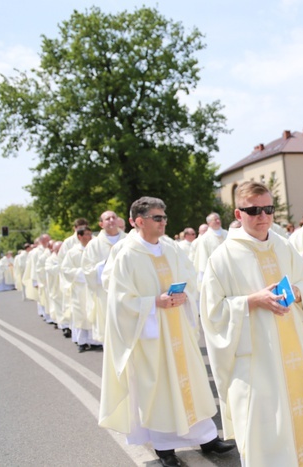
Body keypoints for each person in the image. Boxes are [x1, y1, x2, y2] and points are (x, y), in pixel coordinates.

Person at [98, 196, 234, 467]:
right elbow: (118, 299)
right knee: (159, 390)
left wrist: (184, 294)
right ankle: (165, 448)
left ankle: (207, 438)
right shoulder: (126, 254)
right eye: (157, 218)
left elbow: (190, 278)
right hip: (150, 335)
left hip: (178, 330)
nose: (163, 222)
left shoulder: (171, 248)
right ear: (138, 221)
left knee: (191, 382)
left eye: (164, 217)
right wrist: (152, 303)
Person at [201, 182, 303, 466]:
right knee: (263, 434)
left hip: (295, 352)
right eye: (254, 210)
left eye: (268, 209)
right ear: (238, 212)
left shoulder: (284, 246)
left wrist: (300, 291)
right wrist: (249, 301)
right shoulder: (223, 257)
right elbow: (212, 312)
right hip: (255, 361)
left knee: (300, 434)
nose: (263, 216)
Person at [83, 210, 126, 343]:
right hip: (105, 293)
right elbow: (87, 269)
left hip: (127, 290)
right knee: (109, 331)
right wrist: (105, 265)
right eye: (107, 219)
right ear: (101, 224)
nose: (111, 220)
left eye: (114, 217)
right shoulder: (93, 245)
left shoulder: (129, 240)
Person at [193, 213, 227, 279]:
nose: (218, 221)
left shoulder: (227, 233)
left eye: (218, 219)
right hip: (215, 271)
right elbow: (203, 256)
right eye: (215, 219)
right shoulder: (205, 238)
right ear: (209, 222)